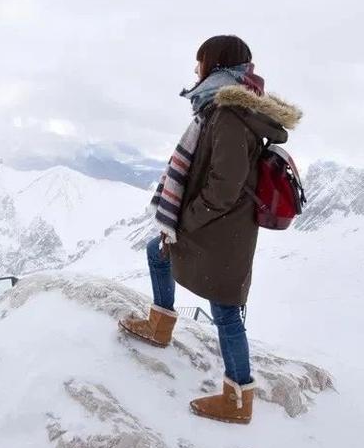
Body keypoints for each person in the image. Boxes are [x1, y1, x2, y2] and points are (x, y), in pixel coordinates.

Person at [119, 35, 301, 425]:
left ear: (216, 66)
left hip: (221, 230)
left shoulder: (229, 115)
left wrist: (185, 221)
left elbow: (224, 187)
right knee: (159, 251)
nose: (194, 70)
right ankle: (160, 325)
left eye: (199, 62)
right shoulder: (224, 108)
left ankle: (237, 398)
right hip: (222, 227)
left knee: (226, 311)